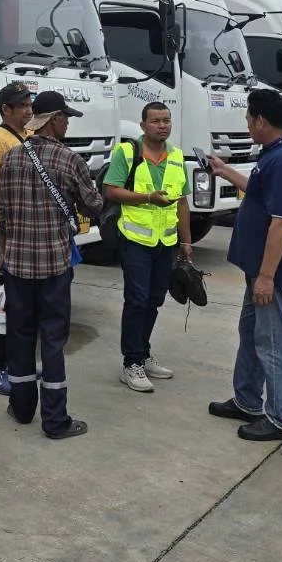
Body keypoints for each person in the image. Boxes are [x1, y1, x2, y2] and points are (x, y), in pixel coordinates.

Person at [203, 89, 282, 442]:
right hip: (258, 269)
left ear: (261, 120)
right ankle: (247, 400)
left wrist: (266, 277)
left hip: (271, 274)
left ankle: (280, 419)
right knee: (250, 333)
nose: (247, 125)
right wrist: (225, 170)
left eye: (249, 119)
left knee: (273, 341)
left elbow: (281, 222)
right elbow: (260, 192)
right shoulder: (276, 154)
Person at [0, 91, 103, 439]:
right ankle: (55, 421)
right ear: (53, 119)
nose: (68, 123)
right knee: (53, 343)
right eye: (66, 118)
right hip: (54, 268)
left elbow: (2, 215)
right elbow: (94, 205)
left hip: (16, 266)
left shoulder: (9, 159)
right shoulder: (69, 160)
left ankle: (22, 407)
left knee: (19, 337)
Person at [103, 101, 192, 393]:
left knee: (155, 300)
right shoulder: (127, 153)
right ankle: (131, 364)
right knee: (137, 300)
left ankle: (142, 351)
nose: (162, 125)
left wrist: (186, 240)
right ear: (143, 126)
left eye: (166, 120)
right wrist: (147, 198)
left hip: (165, 243)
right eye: (155, 121)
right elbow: (111, 190)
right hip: (135, 240)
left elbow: (182, 203)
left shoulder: (177, 156)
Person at [0, 81, 35, 395]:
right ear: (5, 110)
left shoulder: (27, 136)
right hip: (9, 236)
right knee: (3, 304)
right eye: (22, 106)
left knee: (21, 305)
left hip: (26, 234)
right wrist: (4, 244)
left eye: (30, 105)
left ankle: (14, 364)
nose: (28, 111)